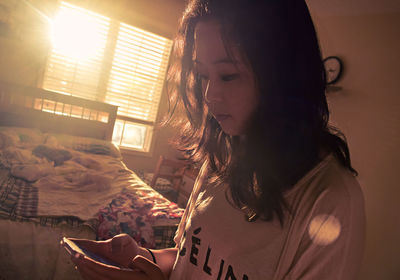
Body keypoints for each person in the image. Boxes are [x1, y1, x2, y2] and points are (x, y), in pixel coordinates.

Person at [70, 0, 366, 279]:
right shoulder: (222, 156)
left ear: (282, 76)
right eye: (201, 75)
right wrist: (142, 256)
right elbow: (186, 259)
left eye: (228, 75)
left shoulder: (331, 199)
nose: (210, 95)